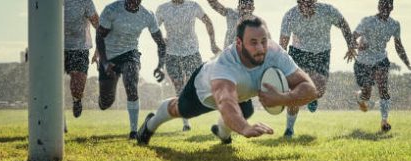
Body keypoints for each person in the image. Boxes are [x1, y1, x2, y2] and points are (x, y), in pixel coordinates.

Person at [136, 17, 318, 145]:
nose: (261, 48)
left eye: (264, 40)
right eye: (253, 42)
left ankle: (222, 132)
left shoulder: (275, 53)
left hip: (239, 95)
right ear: (239, 43)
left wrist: (282, 99)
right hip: (204, 90)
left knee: (245, 110)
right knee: (181, 110)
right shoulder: (225, 66)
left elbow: (310, 90)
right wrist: (245, 128)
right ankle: (150, 123)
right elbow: (225, 102)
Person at [279, 0, 357, 138]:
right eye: (305, 4)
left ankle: (312, 97)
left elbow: (343, 24)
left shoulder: (327, 10)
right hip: (299, 53)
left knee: (319, 91)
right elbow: (282, 45)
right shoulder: (290, 15)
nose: (309, 8)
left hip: (321, 54)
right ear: (299, 3)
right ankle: (289, 129)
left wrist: (350, 44)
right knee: (295, 92)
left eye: (311, 4)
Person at [96, 0, 167, 139]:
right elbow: (99, 36)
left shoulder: (147, 15)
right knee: (106, 102)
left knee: (131, 82)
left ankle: (133, 131)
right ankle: (103, 99)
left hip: (130, 53)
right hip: (108, 56)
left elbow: (161, 43)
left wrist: (160, 66)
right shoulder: (111, 9)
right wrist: (104, 62)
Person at [352, 0, 411, 132]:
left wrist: (408, 64)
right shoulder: (367, 21)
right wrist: (358, 46)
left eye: (388, 5)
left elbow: (398, 46)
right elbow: (353, 37)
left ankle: (384, 121)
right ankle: (360, 96)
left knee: (383, 88)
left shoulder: (394, 25)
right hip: (363, 61)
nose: (385, 8)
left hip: (381, 59)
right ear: (378, 6)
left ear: (392, 7)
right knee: (367, 93)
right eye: (382, 5)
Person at [156, 0, 221, 131]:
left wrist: (213, 43)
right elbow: (154, 29)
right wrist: (160, 39)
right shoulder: (163, 8)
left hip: (191, 53)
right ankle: (186, 123)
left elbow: (207, 21)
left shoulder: (193, 6)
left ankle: (223, 114)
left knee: (200, 85)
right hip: (172, 54)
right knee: (179, 88)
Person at [64, 0, 99, 118]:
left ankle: (77, 100)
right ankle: (57, 120)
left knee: (77, 86)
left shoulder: (85, 2)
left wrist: (98, 50)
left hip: (80, 47)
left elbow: (98, 26)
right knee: (51, 85)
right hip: (56, 47)